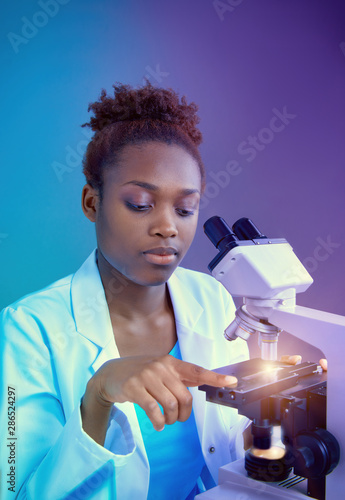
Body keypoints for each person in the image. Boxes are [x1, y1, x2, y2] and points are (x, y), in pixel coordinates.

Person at [0, 82, 298, 500]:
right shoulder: (28, 329)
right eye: (140, 204)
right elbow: (17, 493)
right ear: (91, 203)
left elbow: (226, 447)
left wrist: (269, 420)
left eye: (185, 209)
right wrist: (99, 395)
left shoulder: (210, 297)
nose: (167, 227)